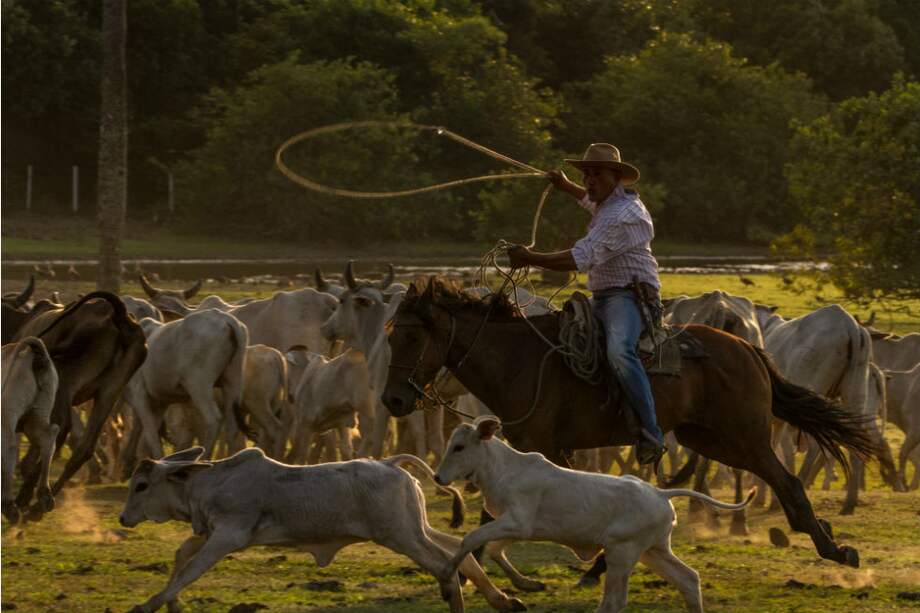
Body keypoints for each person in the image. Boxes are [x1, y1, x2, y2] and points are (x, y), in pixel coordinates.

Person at [507, 143, 665, 465]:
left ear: (616, 178)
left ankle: (651, 432)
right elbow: (590, 204)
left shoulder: (624, 215)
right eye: (586, 175)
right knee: (560, 341)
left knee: (619, 351)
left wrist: (530, 259)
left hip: (631, 296)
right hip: (603, 295)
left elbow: (580, 258)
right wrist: (565, 185)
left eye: (596, 175)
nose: (589, 181)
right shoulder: (608, 204)